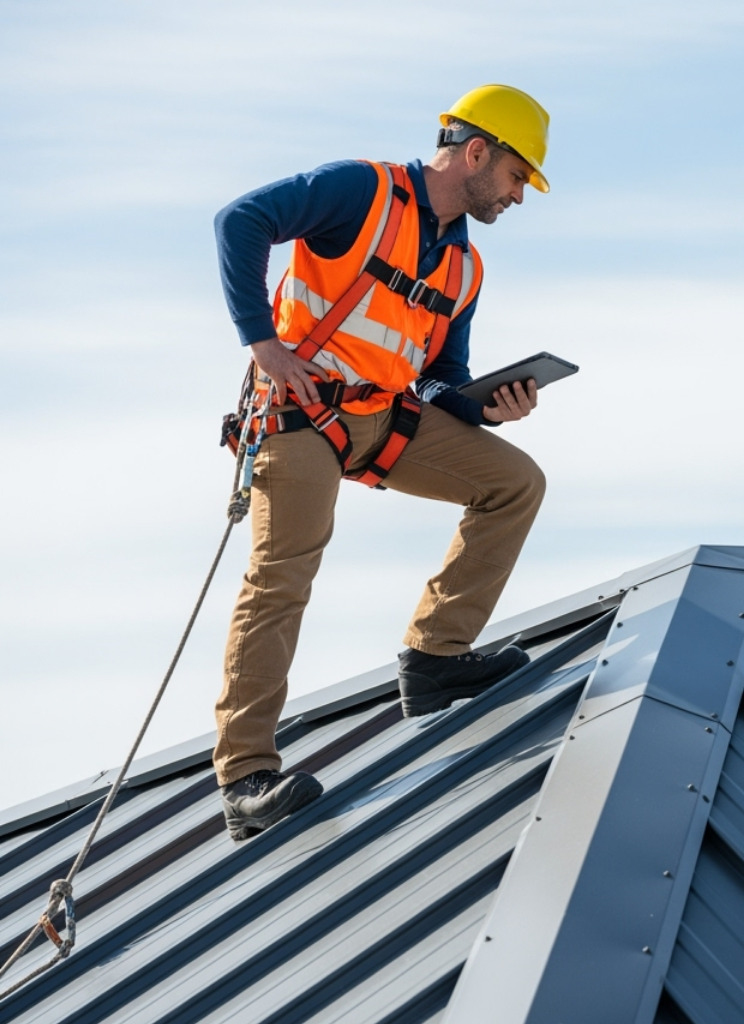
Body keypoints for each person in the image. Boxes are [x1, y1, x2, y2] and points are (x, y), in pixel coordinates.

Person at [211, 85, 552, 841]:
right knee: (282, 575)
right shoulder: (361, 191)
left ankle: (434, 658)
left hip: (384, 420)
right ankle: (244, 779)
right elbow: (240, 221)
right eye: (518, 175)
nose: (520, 196)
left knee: (514, 481)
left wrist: (483, 405)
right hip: (300, 415)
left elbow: (438, 375)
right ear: (476, 153)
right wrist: (263, 342)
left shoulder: (465, 268)